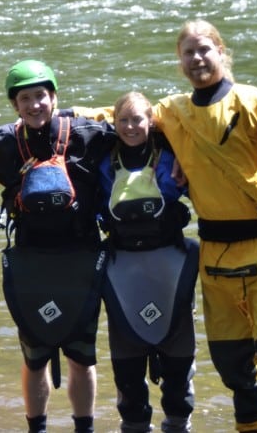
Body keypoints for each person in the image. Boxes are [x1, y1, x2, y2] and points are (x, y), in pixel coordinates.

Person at [0, 60, 119, 433]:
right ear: (15, 106)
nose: (34, 105)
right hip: (31, 260)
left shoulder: (86, 132)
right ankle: (36, 427)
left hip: (82, 255)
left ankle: (83, 427)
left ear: (54, 98)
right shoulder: (4, 140)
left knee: (82, 356)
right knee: (34, 355)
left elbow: (138, 125)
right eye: (25, 99)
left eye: (41, 96)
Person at [152, 19, 257, 433]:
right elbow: (122, 117)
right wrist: (49, 115)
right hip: (215, 259)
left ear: (221, 52)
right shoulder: (172, 113)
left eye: (205, 49)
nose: (197, 59)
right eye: (188, 53)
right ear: (179, 62)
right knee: (232, 364)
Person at [96, 92, 198, 433]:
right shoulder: (104, 162)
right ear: (114, 123)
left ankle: (178, 421)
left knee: (178, 358)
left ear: (151, 121)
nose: (130, 127)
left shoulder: (171, 157)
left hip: (169, 264)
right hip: (123, 267)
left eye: (137, 119)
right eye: (123, 120)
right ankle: (135, 424)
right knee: (127, 364)